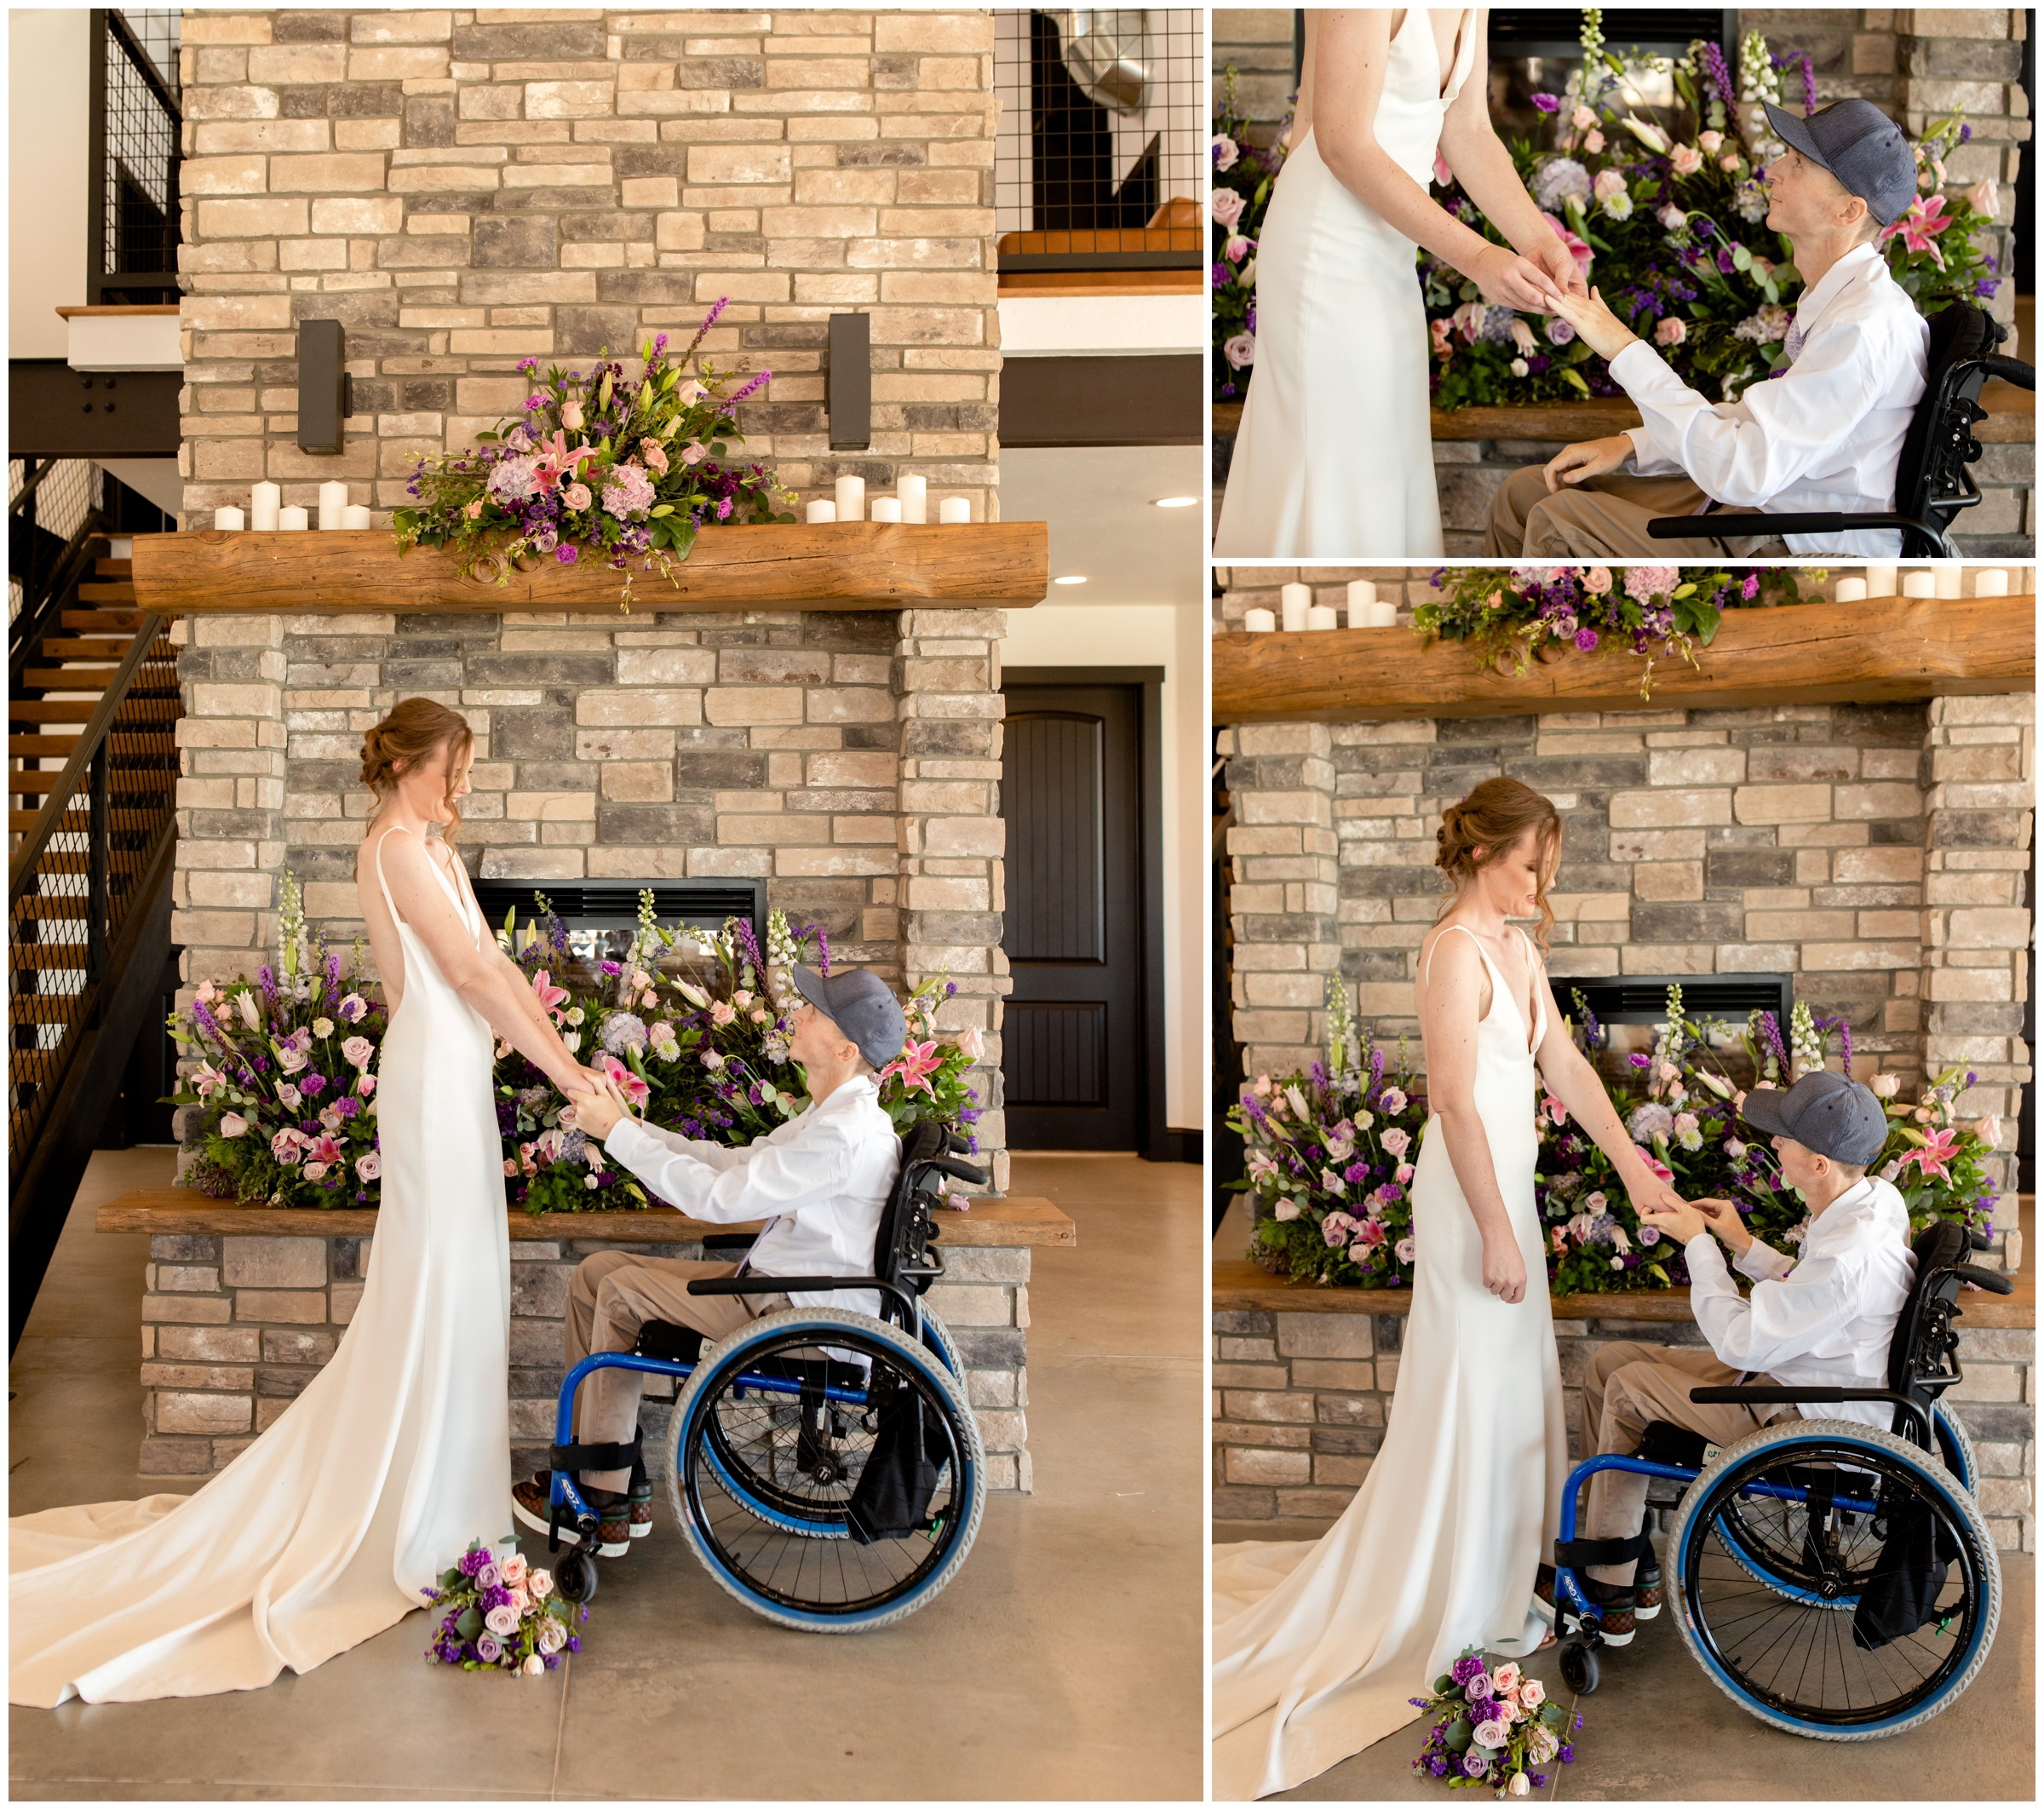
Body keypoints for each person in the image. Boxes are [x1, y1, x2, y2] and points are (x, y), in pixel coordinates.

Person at [9, 698, 616, 1706]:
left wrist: (564, 1057)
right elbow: (462, 973)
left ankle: (447, 1504)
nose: (466, 778)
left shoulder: (437, 849)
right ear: (418, 761)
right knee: (434, 1282)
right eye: (457, 761)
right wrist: (565, 1079)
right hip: (428, 1084)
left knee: (464, 1283)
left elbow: (496, 966)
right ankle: (410, 1515)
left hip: (459, 1076)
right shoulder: (395, 851)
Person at [1210, 778, 1680, 1800]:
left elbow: (1563, 1064)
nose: (1538, 886)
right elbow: (1458, 1107)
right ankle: (1456, 1591)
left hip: (1504, 1191)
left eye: (1545, 870)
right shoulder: (1453, 954)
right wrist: (1501, 1233)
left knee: (1514, 1383)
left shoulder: (1520, 950)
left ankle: (1510, 1574)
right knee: (1473, 1381)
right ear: (1481, 855)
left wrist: (1637, 1169)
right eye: (1528, 867)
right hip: (1471, 1202)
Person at [514, 964, 905, 1559]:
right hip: (785, 1290)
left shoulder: (844, 1134)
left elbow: (718, 1201)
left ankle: (599, 1496)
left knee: (620, 1290)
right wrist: (634, 1126)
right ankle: (610, 1470)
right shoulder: (833, 1115)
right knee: (597, 1272)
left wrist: (618, 1135)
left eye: (815, 1011)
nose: (798, 1012)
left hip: (799, 1314)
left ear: (846, 1048)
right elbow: (733, 1164)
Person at [1547, 1070, 1915, 1643]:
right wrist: (1742, 1244)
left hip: (1809, 1418)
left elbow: (1739, 1340)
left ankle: (1609, 1588)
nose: (1774, 1144)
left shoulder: (1849, 1254)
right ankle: (1627, 1551)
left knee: (1627, 1388)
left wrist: (1697, 1243)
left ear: (1819, 1163)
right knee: (1608, 1360)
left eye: (1784, 1138)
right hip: (1806, 1372)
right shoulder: (1871, 1203)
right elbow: (1813, 1294)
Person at [1214, 9, 1587, 560]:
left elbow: (1469, 130)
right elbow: (1342, 144)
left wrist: (1541, 240)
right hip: (1325, 243)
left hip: (1391, 246)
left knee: (1384, 446)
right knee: (1333, 453)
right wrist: (1480, 258)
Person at [1488, 97, 1929, 559]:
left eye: (1798, 163)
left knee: (1559, 521)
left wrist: (1623, 347)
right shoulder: (1843, 296)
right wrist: (1631, 446)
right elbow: (1764, 428)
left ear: (1848, 212)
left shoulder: (1863, 326)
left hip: (1794, 537)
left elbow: (1746, 470)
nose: (1772, 170)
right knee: (1522, 495)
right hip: (1767, 501)